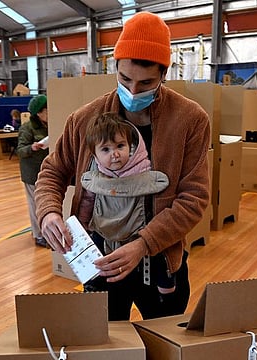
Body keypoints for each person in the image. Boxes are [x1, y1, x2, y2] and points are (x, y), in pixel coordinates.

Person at [35, 12, 210, 321]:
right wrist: (48, 212)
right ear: (113, 67)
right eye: (124, 79)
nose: (133, 90)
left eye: (146, 83)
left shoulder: (190, 120)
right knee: (106, 342)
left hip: (158, 258)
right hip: (98, 255)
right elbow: (53, 171)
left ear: (163, 75)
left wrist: (144, 244)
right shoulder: (84, 119)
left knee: (163, 341)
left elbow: (194, 198)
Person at [79, 112, 174, 295]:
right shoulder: (96, 177)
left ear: (131, 147)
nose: (114, 154)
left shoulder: (143, 170)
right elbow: (87, 201)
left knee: (158, 246)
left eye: (120, 146)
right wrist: (83, 223)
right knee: (94, 251)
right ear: (95, 154)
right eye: (105, 150)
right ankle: (92, 282)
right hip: (104, 228)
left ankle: (165, 279)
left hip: (137, 229)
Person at [17, 95, 49, 247]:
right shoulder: (27, 128)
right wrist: (33, 147)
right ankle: (38, 235)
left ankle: (41, 230)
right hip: (31, 172)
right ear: (39, 113)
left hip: (45, 170)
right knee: (35, 204)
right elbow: (21, 150)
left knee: (45, 202)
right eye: (47, 110)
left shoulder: (49, 125)